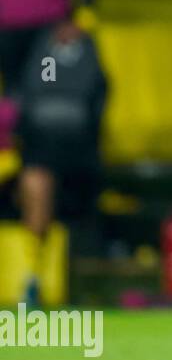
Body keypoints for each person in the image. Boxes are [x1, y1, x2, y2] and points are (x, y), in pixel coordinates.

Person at [12, 20, 107, 307]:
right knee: (37, 184)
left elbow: (98, 103)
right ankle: (32, 276)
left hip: (81, 159)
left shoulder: (89, 62)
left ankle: (80, 281)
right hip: (41, 154)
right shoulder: (37, 61)